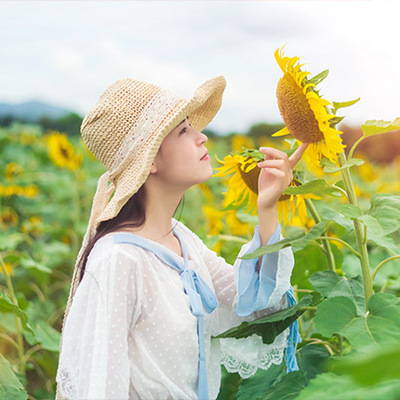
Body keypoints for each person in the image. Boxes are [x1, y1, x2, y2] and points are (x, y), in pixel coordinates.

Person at [55, 76, 307, 400]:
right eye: (183, 130)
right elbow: (100, 386)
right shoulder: (118, 261)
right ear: (151, 161)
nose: (202, 137)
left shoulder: (180, 240)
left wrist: (267, 207)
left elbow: (254, 304)